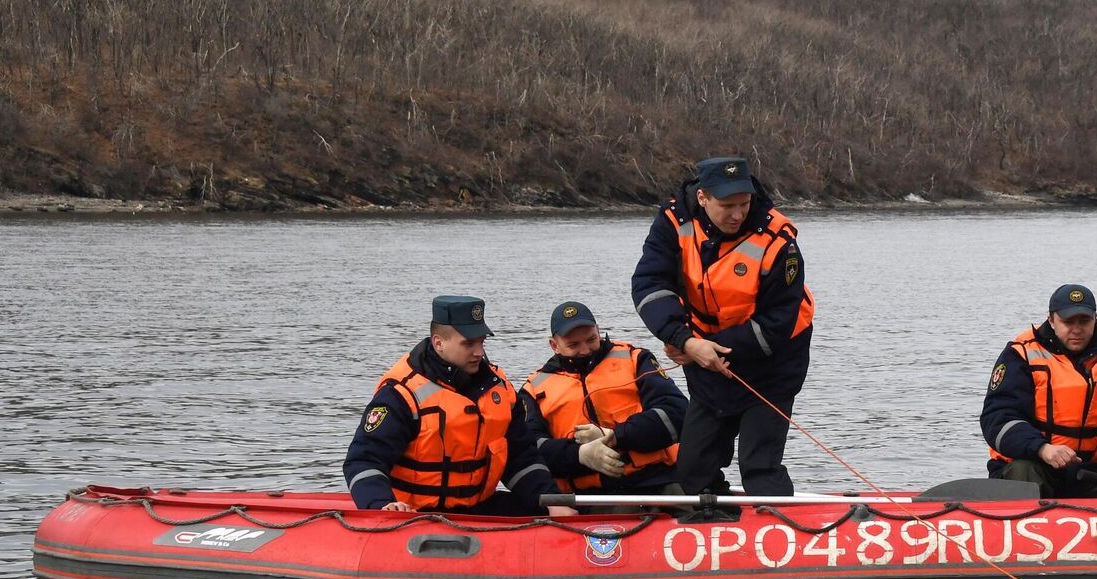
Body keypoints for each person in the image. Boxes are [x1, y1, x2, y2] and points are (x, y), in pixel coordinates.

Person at [631, 156, 813, 497]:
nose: (737, 214)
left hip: (772, 359)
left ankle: (778, 524)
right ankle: (712, 519)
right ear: (703, 198)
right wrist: (682, 339)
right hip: (702, 352)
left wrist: (703, 346)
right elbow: (649, 283)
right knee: (693, 470)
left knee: (758, 465)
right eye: (727, 206)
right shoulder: (674, 222)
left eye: (744, 204)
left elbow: (776, 324)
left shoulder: (779, 240)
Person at [345, 295, 575, 518]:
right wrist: (382, 505)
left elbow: (521, 456)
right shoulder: (401, 394)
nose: (479, 352)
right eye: (468, 344)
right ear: (439, 343)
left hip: (478, 507)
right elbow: (364, 459)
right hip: (415, 514)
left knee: (554, 510)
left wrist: (550, 500)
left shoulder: (499, 390)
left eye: (482, 342)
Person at [981, 283, 1097, 498]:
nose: (1077, 329)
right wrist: (1043, 448)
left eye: (1084, 321)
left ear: (1095, 318)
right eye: (1068, 321)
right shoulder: (1020, 355)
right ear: (1051, 320)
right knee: (1025, 471)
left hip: (1093, 473)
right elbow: (997, 419)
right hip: (1033, 465)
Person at [519, 300, 688, 498]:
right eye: (573, 344)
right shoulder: (534, 388)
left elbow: (677, 413)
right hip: (587, 497)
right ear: (554, 345)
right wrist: (580, 455)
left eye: (591, 339)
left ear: (598, 331)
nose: (584, 350)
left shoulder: (635, 360)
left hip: (658, 483)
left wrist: (614, 435)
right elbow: (529, 449)